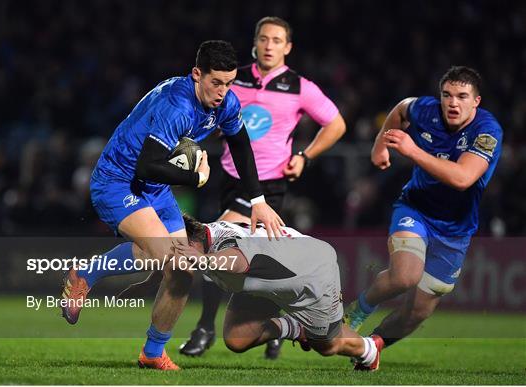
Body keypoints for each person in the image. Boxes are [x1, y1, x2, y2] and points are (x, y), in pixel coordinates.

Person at [120, 16, 346, 359]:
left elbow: (336, 123)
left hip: (266, 184)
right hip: (228, 177)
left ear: (288, 47)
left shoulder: (301, 87)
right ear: (255, 43)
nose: (269, 45)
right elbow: (208, 115)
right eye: (264, 39)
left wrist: (305, 155)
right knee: (256, 258)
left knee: (212, 242)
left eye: (277, 40)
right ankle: (274, 326)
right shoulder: (231, 79)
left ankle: (205, 328)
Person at [59, 40, 283, 371]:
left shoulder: (225, 103)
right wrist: (197, 178)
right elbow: (146, 165)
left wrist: (259, 201)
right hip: (117, 181)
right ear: (197, 74)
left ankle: (152, 352)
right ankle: (87, 274)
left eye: (229, 83)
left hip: (156, 186)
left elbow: (240, 143)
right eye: (215, 82)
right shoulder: (176, 106)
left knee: (183, 271)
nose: (222, 91)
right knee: (167, 257)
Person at [344, 66, 503, 358]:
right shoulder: (426, 110)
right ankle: (353, 314)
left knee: (417, 313)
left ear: (476, 102)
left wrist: (411, 150)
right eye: (447, 95)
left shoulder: (487, 132)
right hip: (415, 208)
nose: (453, 103)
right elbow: (402, 109)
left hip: (455, 228)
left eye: (462, 96)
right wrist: (380, 145)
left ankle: (372, 346)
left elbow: (462, 179)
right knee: (405, 276)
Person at [173, 214, 384, 371]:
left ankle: (369, 349)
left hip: (311, 274)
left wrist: (203, 259)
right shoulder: (204, 234)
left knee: (327, 346)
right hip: (267, 280)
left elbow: (239, 260)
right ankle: (294, 327)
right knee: (237, 339)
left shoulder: (220, 245)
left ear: (190, 242)